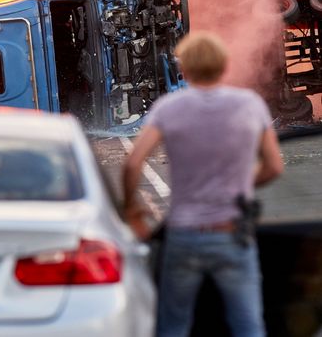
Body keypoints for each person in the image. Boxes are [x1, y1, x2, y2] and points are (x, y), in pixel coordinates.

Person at [122, 32, 284, 337]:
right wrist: (241, 184)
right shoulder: (249, 105)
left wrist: (131, 208)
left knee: (174, 325)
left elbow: (133, 163)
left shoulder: (168, 108)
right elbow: (274, 166)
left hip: (184, 235)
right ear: (223, 66)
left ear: (185, 68)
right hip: (233, 233)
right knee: (248, 323)